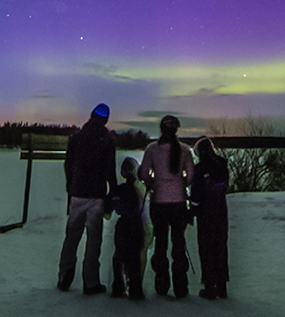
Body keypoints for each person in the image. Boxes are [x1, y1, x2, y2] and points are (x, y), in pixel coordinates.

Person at [58, 104, 117, 295]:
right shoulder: (106, 140)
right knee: (94, 239)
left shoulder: (77, 138)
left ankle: (64, 277)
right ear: (105, 120)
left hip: (77, 193)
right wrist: (113, 193)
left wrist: (71, 186)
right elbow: (110, 170)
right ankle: (90, 282)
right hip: (96, 195)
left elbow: (68, 164)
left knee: (72, 236)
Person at [137, 114, 194, 298]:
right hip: (178, 203)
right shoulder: (185, 150)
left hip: (159, 203)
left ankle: (161, 284)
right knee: (179, 243)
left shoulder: (152, 150)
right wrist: (180, 183)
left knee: (160, 243)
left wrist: (153, 183)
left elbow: (144, 173)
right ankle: (180, 286)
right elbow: (191, 176)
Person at [189, 137, 230, 299]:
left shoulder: (200, 169)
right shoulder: (222, 166)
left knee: (206, 248)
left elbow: (197, 195)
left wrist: (192, 210)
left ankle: (209, 285)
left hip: (206, 213)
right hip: (220, 211)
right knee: (220, 246)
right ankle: (222, 285)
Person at [108, 156, 147, 300]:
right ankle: (135, 288)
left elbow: (108, 207)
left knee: (119, 255)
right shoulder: (140, 190)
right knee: (135, 256)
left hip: (123, 224)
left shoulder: (119, 190)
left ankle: (118, 286)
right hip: (135, 223)